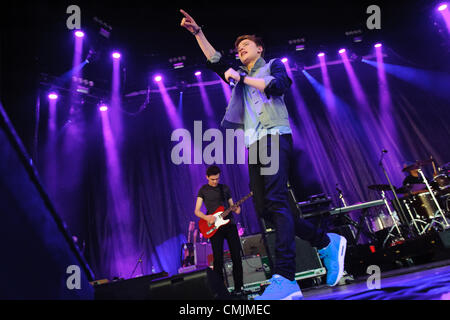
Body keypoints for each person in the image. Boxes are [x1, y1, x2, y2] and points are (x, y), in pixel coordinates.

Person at [180, 9, 347, 300]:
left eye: (246, 45)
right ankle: (325, 241)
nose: (240, 49)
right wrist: (198, 34)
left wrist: (241, 79)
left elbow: (278, 86)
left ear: (259, 49)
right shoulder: (238, 75)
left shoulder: (273, 66)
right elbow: (215, 60)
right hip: (253, 144)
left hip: (274, 136)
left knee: (277, 201)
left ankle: (285, 277)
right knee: (266, 210)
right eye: (238, 47)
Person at [194, 165, 244, 295]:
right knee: (218, 259)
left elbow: (232, 205)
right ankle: (221, 291)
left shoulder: (225, 188)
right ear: (207, 177)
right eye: (212, 179)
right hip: (215, 227)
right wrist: (207, 217)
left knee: (236, 256)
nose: (215, 181)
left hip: (229, 224)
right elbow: (197, 211)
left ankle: (239, 288)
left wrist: (236, 209)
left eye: (217, 178)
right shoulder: (203, 190)